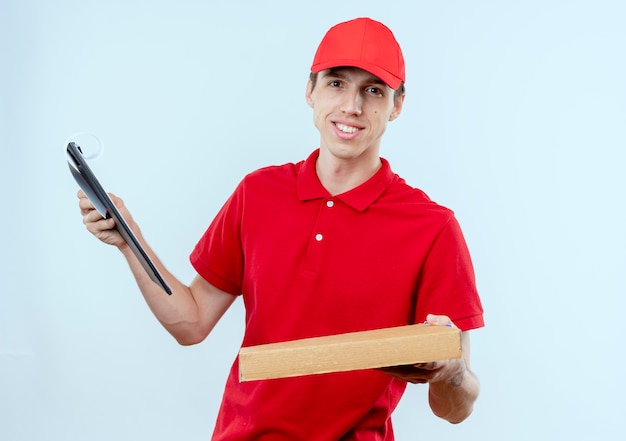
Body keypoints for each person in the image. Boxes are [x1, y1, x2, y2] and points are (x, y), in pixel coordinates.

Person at [78, 17, 484, 440]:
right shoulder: (259, 193)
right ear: (310, 91)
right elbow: (191, 322)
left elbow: (455, 409)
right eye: (336, 83)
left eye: (373, 90)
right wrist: (130, 241)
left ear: (397, 105)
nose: (352, 106)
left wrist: (450, 370)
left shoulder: (432, 227)